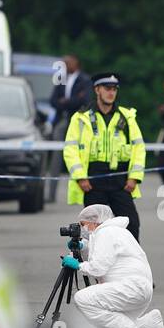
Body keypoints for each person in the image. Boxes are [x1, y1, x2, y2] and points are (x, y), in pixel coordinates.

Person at [62, 205, 164, 328]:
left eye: (83, 224)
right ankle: (150, 322)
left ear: (95, 221)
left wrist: (78, 265)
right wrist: (83, 246)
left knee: (82, 299)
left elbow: (98, 268)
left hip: (128, 288)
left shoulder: (105, 233)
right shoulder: (115, 232)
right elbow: (103, 253)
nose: (81, 228)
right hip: (136, 289)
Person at [62, 72, 146, 243]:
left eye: (114, 89)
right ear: (97, 90)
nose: (111, 92)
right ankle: (94, 266)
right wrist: (80, 177)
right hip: (93, 182)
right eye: (107, 88)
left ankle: (130, 264)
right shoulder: (81, 117)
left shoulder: (127, 117)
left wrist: (134, 177)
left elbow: (139, 148)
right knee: (93, 231)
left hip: (120, 181)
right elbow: (70, 149)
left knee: (131, 225)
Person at [50, 55, 90, 140]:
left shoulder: (84, 80)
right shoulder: (61, 79)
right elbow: (53, 100)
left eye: (67, 63)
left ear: (75, 63)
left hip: (77, 118)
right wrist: (72, 101)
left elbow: (84, 101)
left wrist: (65, 101)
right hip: (61, 118)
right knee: (57, 139)